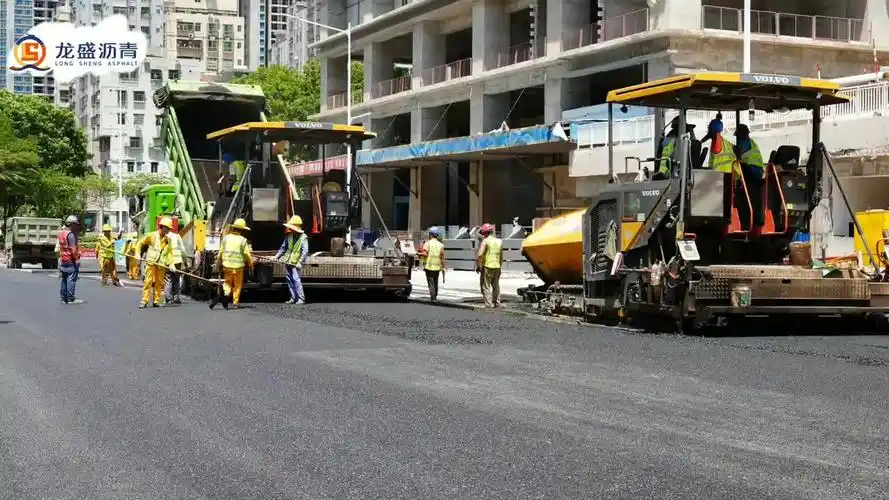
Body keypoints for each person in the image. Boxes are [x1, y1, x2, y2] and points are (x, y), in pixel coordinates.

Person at [216, 218, 254, 309]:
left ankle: (225, 295)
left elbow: (220, 252)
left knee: (228, 283)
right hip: (238, 268)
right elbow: (246, 254)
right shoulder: (243, 240)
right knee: (237, 285)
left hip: (227, 266)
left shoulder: (225, 238)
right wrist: (251, 264)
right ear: (242, 230)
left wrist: (219, 263)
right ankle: (235, 303)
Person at [137, 217, 174, 309]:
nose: (169, 230)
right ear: (163, 227)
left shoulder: (168, 240)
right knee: (148, 282)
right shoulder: (152, 236)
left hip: (161, 264)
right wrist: (137, 253)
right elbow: (140, 243)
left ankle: (156, 301)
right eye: (168, 228)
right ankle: (144, 301)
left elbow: (169, 253)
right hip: (151, 262)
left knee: (159, 283)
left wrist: (171, 263)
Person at [734, 124, 766, 226]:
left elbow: (738, 154)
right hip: (758, 171)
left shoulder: (744, 143)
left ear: (740, 135)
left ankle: (745, 219)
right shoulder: (751, 143)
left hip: (752, 170)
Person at [275, 215, 308, 305]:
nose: (290, 229)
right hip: (288, 261)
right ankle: (293, 298)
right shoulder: (289, 236)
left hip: (295, 263)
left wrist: (300, 262)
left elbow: (305, 251)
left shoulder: (303, 238)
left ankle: (301, 298)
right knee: (289, 279)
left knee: (296, 280)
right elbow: (283, 248)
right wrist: (276, 256)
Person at [476, 223, 503, 308]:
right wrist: (500, 265)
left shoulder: (485, 241)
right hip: (497, 266)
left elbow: (480, 254)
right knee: (496, 285)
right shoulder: (499, 241)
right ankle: (497, 302)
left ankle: (488, 304)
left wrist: (478, 266)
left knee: (486, 286)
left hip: (487, 266)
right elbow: (501, 256)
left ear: (484, 233)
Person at [58, 215, 83, 305]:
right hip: (70, 259)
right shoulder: (70, 235)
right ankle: (70, 298)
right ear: (72, 224)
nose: (77, 227)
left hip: (63, 259)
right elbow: (73, 249)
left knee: (64, 279)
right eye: (76, 224)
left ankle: (63, 297)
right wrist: (76, 259)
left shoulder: (62, 233)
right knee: (71, 279)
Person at [419, 226, 446, 303]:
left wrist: (418, 253)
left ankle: (433, 298)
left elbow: (424, 254)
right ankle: (435, 296)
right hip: (437, 267)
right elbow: (442, 256)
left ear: (431, 234)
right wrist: (444, 267)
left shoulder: (427, 243)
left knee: (431, 283)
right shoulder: (441, 245)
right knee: (435, 282)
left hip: (429, 266)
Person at [164, 223, 189, 304]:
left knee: (168, 279)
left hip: (167, 261)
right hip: (177, 261)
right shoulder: (176, 236)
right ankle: (176, 297)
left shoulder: (163, 237)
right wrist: (185, 262)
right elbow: (182, 249)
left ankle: (168, 298)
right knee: (176, 279)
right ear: (170, 228)